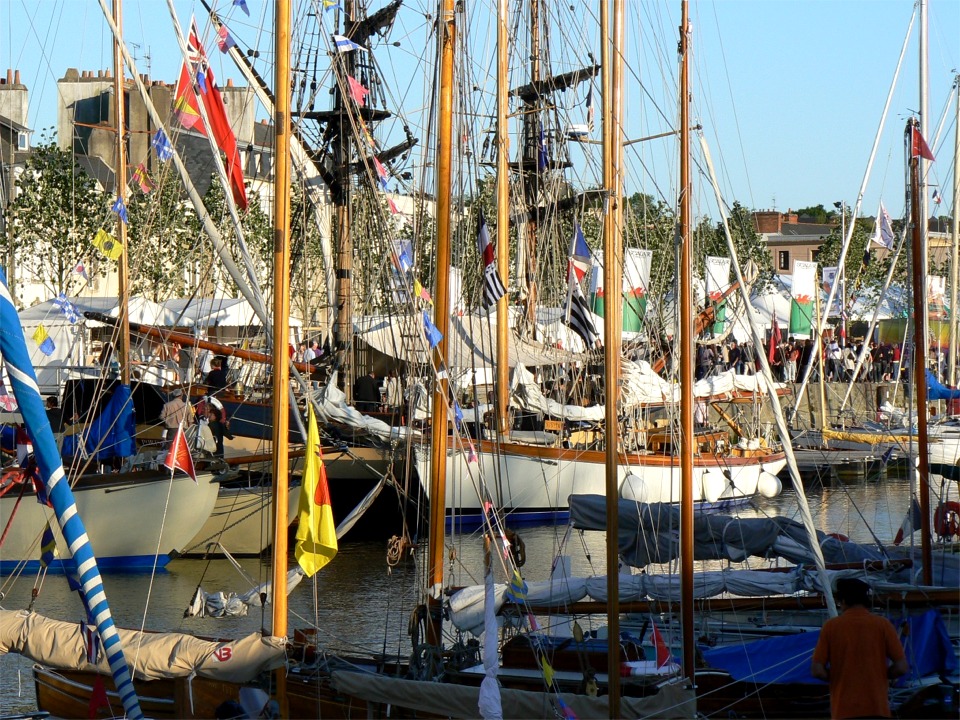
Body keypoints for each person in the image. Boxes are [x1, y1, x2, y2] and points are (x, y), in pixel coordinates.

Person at [811, 578, 908, 720]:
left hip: (843, 710)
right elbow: (901, 668)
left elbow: (817, 670)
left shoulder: (831, 627)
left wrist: (837, 677)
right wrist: (882, 674)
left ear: (842, 601)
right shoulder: (883, 625)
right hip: (877, 708)